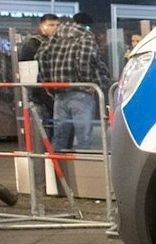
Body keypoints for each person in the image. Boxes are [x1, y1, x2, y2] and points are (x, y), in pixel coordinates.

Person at [38, 13, 110, 158]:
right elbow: (84, 60)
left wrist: (49, 84)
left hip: (59, 94)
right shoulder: (85, 37)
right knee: (83, 138)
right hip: (81, 94)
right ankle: (83, 175)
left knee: (59, 138)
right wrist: (88, 83)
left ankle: (56, 174)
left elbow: (41, 57)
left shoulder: (54, 37)